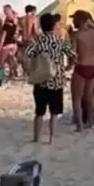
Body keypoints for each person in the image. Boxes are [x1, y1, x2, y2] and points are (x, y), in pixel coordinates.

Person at [25, 13, 75, 144]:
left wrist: (30, 70)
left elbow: (27, 55)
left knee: (39, 112)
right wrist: (67, 67)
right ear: (54, 26)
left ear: (41, 26)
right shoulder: (60, 41)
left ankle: (36, 137)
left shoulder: (38, 42)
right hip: (56, 80)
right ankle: (51, 138)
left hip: (41, 80)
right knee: (54, 113)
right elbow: (73, 55)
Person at [70, 11, 94, 132]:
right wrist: (93, 26)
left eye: (74, 19)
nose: (73, 21)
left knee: (77, 98)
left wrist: (68, 66)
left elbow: (73, 54)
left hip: (81, 66)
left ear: (80, 20)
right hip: (93, 67)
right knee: (88, 98)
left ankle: (80, 126)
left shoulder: (76, 35)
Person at [0, 10, 20, 80]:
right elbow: (16, 36)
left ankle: (0, 76)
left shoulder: (6, 26)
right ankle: (12, 74)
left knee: (2, 61)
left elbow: (3, 37)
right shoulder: (15, 26)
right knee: (11, 59)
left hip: (6, 45)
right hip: (14, 45)